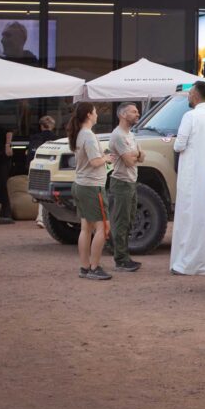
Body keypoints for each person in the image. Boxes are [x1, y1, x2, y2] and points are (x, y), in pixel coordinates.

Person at [170, 81, 205, 275]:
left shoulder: (190, 116)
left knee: (190, 217)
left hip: (192, 176)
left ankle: (187, 264)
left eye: (189, 93)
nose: (188, 96)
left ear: (195, 95)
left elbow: (179, 145)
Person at [67, 102, 114, 280]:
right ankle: (94, 267)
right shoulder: (88, 135)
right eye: (95, 112)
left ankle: (85, 266)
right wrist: (106, 158)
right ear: (88, 115)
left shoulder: (79, 134)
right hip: (92, 187)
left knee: (86, 228)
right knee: (104, 227)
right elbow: (95, 162)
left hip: (80, 184)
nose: (97, 115)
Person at [109, 103, 144, 272]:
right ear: (123, 115)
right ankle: (120, 259)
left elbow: (141, 157)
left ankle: (124, 256)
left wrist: (135, 154)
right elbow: (129, 161)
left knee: (129, 220)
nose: (138, 114)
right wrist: (135, 155)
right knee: (121, 221)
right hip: (121, 182)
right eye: (134, 111)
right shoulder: (118, 136)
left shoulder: (130, 135)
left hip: (130, 181)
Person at [29, 115, 57, 228]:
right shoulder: (57, 139)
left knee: (40, 193)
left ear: (41, 126)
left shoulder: (35, 138)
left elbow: (30, 155)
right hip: (52, 169)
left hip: (37, 168)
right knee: (50, 194)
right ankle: (45, 218)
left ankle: (41, 217)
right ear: (52, 126)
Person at [0, 121, 14, 225]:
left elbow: (9, 131)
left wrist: (7, 145)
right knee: (0, 189)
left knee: (1, 188)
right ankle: (4, 214)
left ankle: (6, 214)